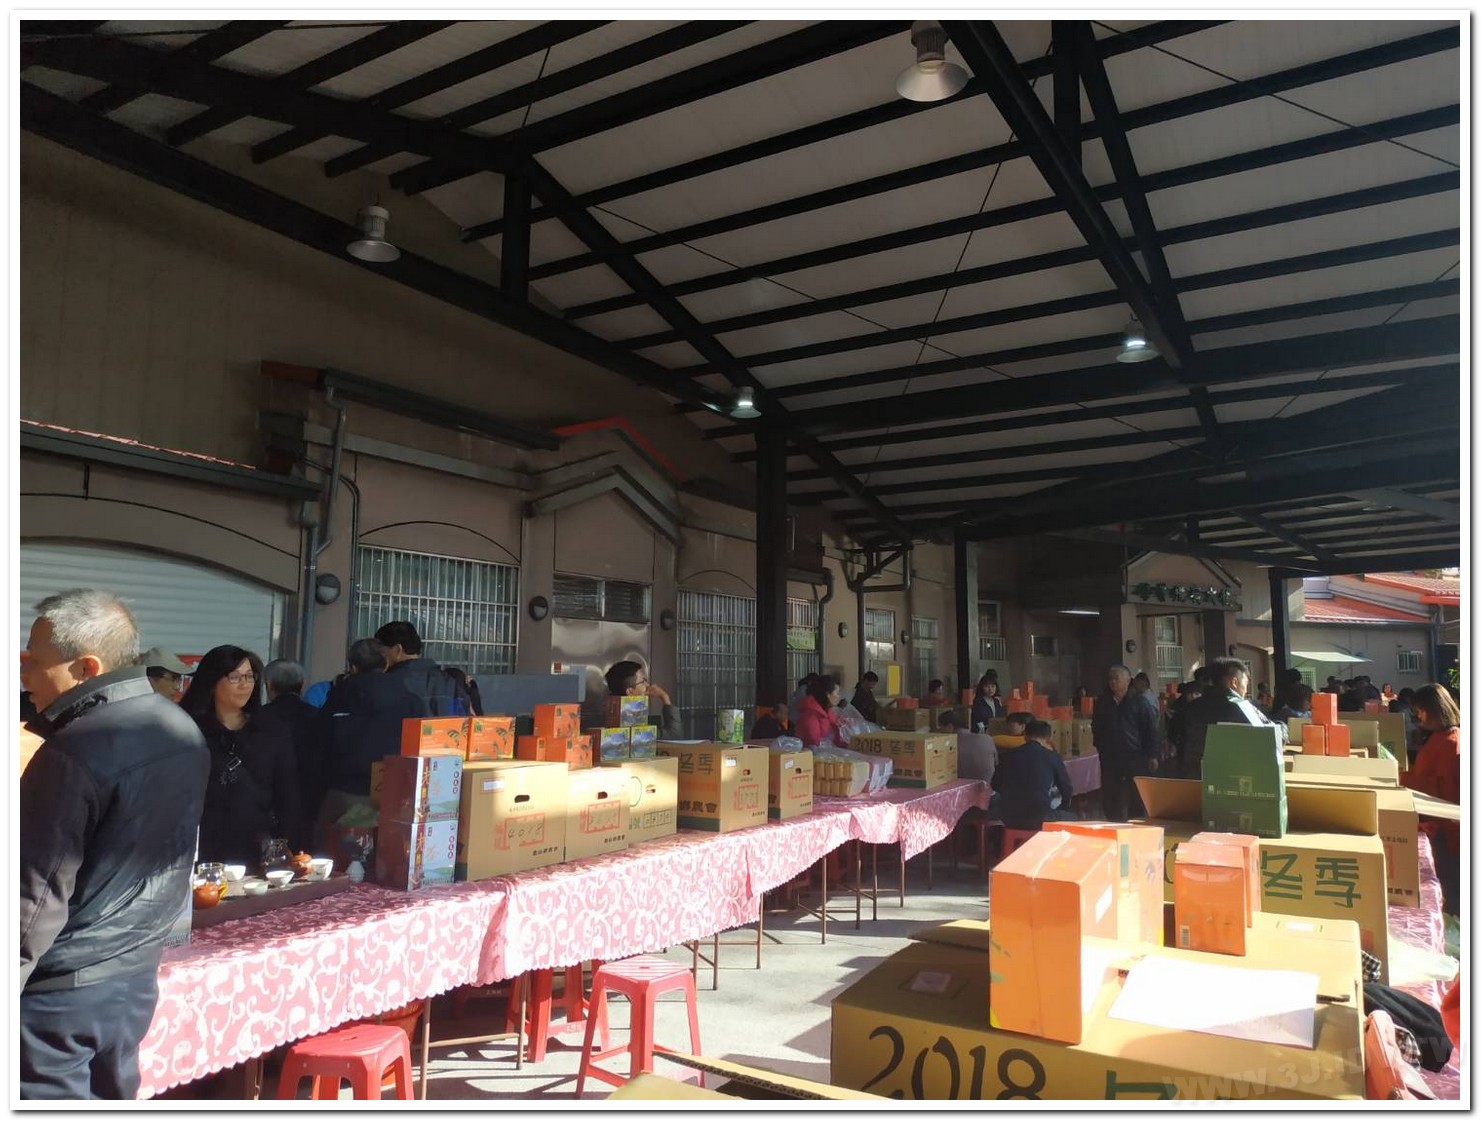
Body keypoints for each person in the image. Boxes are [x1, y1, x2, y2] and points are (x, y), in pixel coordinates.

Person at [19, 590, 209, 1100]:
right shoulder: (181, 728)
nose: (23, 672)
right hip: (134, 975)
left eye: (33, 659)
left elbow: (34, 893)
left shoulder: (73, 750)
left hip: (62, 990)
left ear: (87, 667)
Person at [182, 645, 303, 864]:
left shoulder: (271, 729)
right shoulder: (187, 729)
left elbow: (287, 793)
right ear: (212, 681)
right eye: (235, 677)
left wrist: (285, 843)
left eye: (249, 677)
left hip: (257, 846)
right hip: (202, 846)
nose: (244, 684)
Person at [318, 638, 427, 849]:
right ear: (386, 664)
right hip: (394, 794)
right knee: (385, 857)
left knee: (335, 853)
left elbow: (321, 740)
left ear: (353, 667)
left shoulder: (340, 695)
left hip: (345, 791)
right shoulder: (410, 698)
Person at [1400, 683, 1460, 914]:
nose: (1418, 716)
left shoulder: (1451, 743)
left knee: (1451, 892)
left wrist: (1405, 780)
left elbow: (1446, 790)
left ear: (1433, 710)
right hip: (1440, 826)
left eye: (1420, 711)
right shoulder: (1442, 737)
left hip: (1447, 831)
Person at [258, 659, 325, 843]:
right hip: (309, 803)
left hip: (267, 805)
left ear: (269, 686)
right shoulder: (319, 717)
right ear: (303, 685)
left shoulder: (259, 718)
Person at [1179, 657, 1274, 779]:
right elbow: (1270, 734)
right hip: (1233, 777)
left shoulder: (1192, 707)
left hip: (1194, 774)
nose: (1246, 690)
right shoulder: (1242, 707)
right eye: (1246, 684)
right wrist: (1283, 728)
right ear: (1234, 682)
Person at [1092, 664, 1161, 822]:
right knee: (1111, 793)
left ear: (1128, 680)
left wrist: (1153, 754)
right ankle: (1113, 822)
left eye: (1116, 678)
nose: (1113, 682)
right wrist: (1100, 746)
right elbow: (1096, 726)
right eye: (1110, 678)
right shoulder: (1103, 702)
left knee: (1136, 794)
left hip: (1135, 755)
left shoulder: (1139, 702)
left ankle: (1136, 822)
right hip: (1110, 755)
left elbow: (1150, 729)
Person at [991, 719, 1077, 831]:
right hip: (1041, 817)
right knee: (1073, 818)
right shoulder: (1052, 757)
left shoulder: (1008, 755)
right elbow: (1066, 789)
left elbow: (995, 784)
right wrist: (1063, 808)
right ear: (1048, 738)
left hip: (1009, 818)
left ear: (1025, 736)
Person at [373, 621, 472, 717]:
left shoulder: (389, 684)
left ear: (397, 650)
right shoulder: (449, 682)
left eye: (382, 652)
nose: (379, 656)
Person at [605, 660, 681, 738]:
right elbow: (674, 734)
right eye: (643, 682)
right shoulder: (633, 727)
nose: (647, 685)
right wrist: (664, 696)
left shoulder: (610, 721)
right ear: (630, 691)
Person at [796, 675, 843, 749]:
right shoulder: (810, 714)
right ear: (828, 694)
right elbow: (813, 742)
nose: (839, 696)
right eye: (837, 693)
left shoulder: (828, 710)